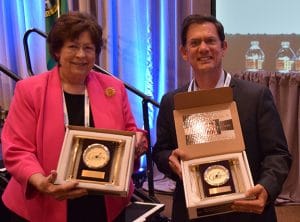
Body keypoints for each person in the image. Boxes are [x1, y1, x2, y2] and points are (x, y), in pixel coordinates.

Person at [1, 11, 147, 222]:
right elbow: (17, 149)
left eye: (88, 48)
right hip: (46, 200)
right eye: (73, 46)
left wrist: (138, 141)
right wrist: (42, 182)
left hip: (103, 199)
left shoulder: (113, 88)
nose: (81, 55)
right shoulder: (29, 90)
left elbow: (129, 130)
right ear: (58, 51)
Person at [152, 14, 292, 222]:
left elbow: (278, 154)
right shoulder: (171, 101)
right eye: (194, 43)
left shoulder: (256, 96)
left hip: (247, 211)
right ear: (184, 52)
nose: (203, 48)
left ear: (223, 47)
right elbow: (161, 151)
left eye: (210, 41)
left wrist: (266, 188)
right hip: (193, 213)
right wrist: (169, 160)